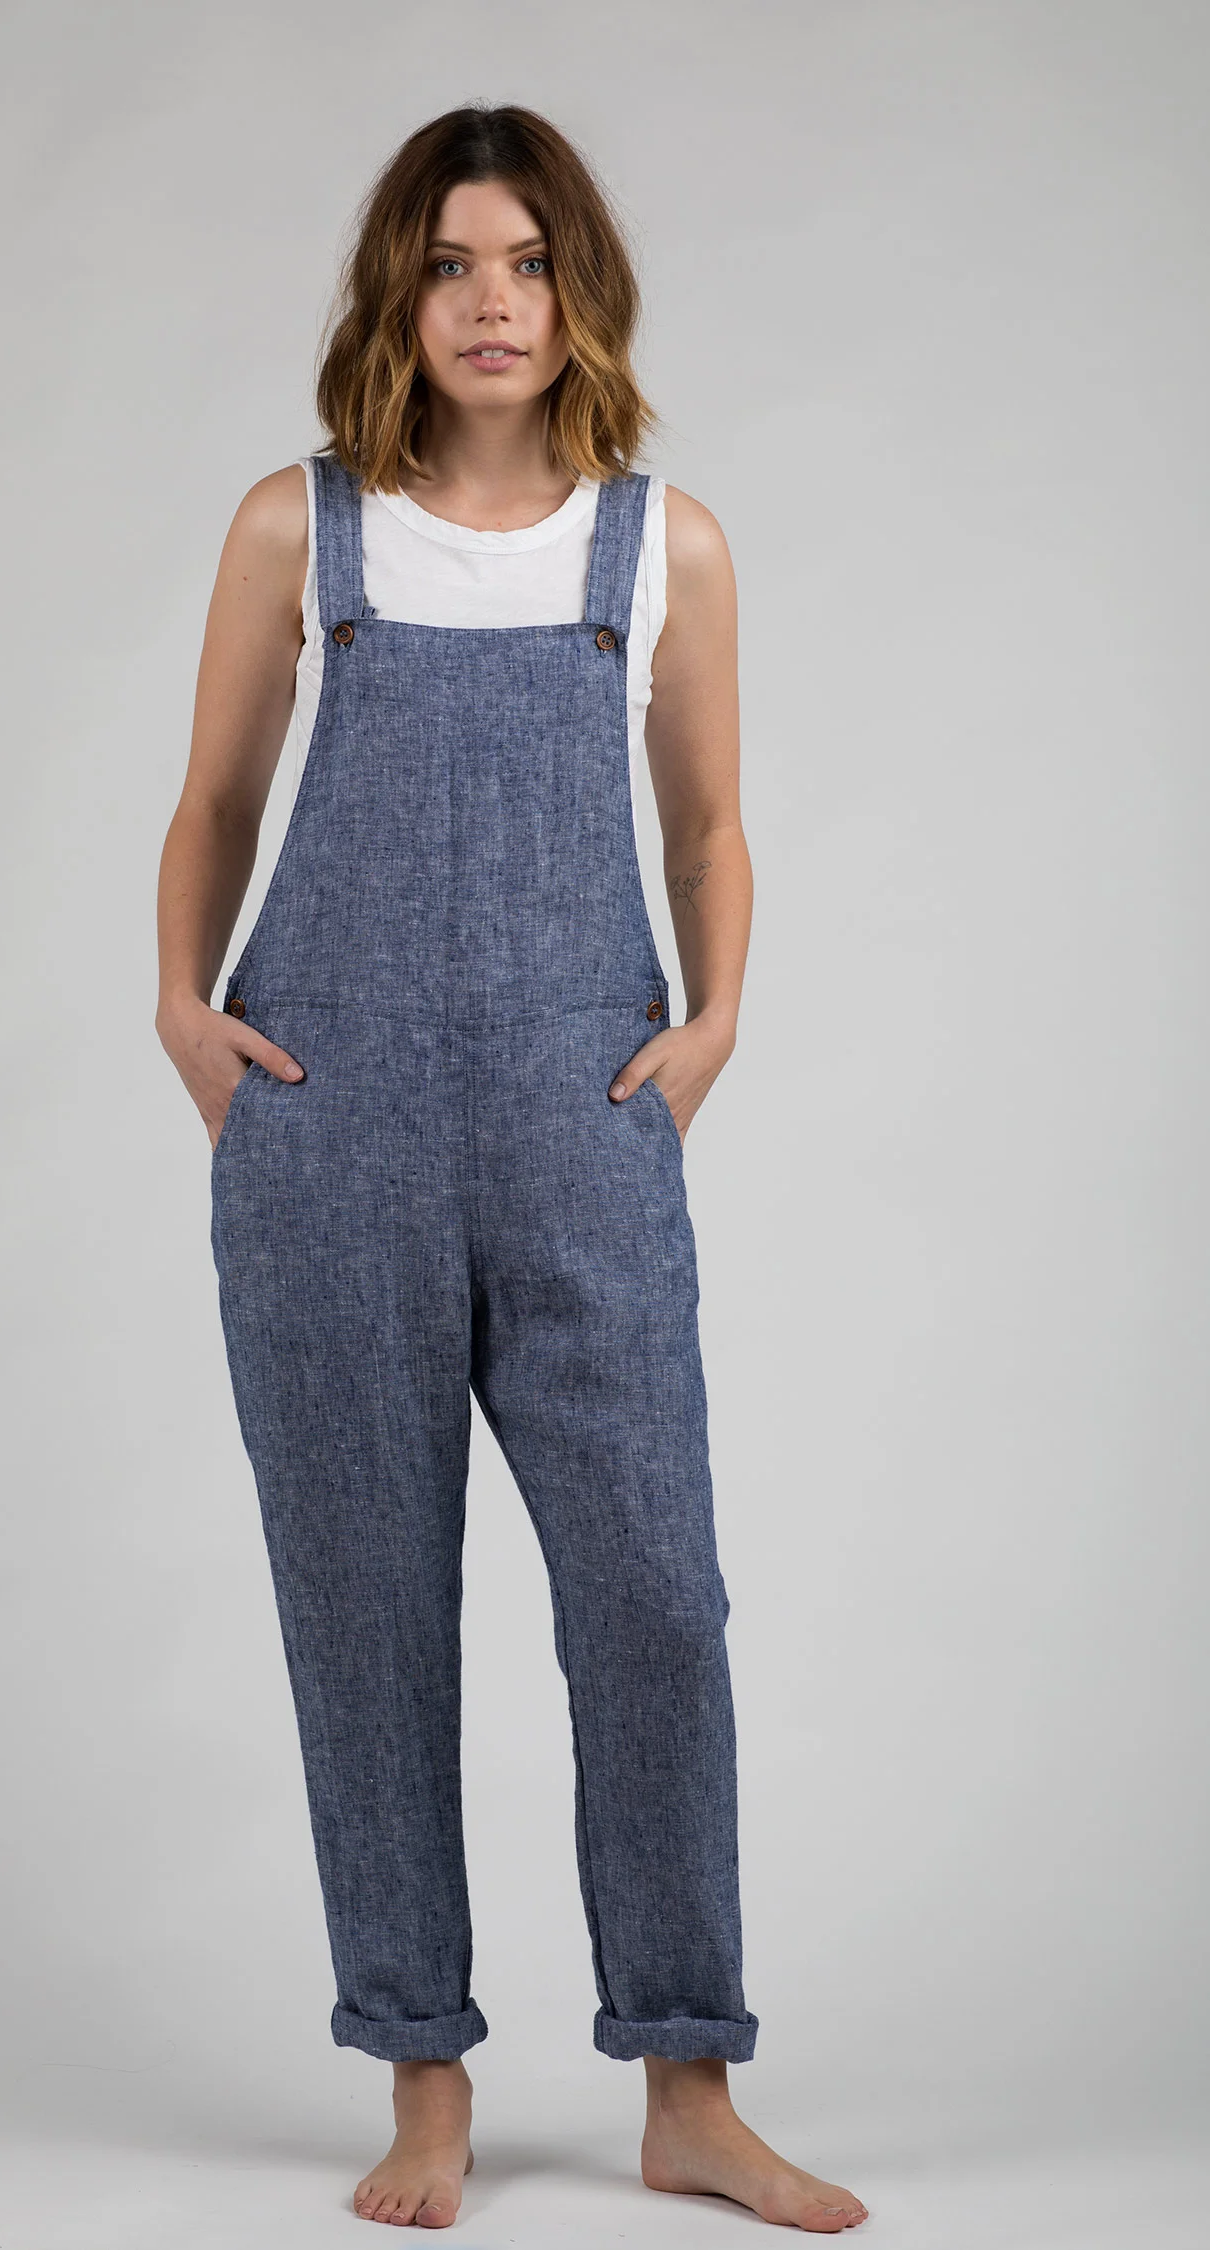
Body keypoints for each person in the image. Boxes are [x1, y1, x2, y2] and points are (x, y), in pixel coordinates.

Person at [156, 104, 866, 2235]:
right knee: (366, 1607)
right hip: (330, 1125)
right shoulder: (303, 529)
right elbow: (214, 803)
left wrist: (711, 1025)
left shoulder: (664, 549)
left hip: (583, 1121)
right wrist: (187, 1016)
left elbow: (708, 823)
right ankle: (424, 2079)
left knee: (654, 1592)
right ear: (402, 291)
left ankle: (688, 2083)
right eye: (454, 261)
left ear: (581, 296)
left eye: (531, 262)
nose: (492, 301)